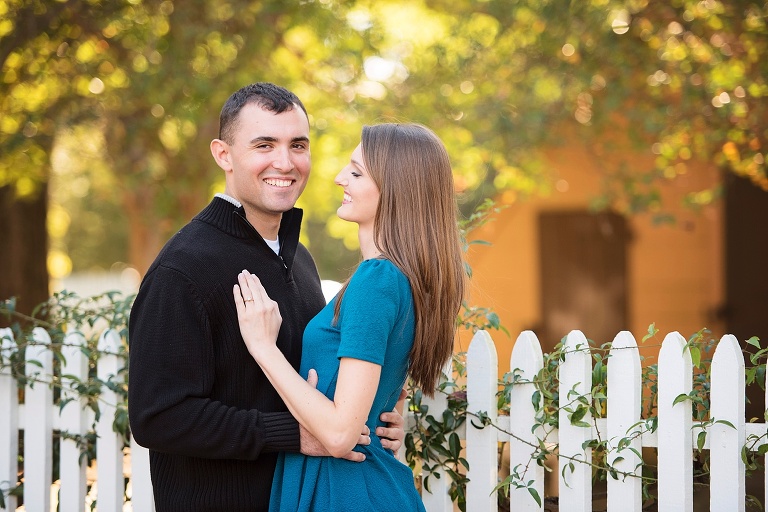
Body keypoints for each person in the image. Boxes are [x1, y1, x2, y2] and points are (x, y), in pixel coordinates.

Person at [128, 83, 405, 511]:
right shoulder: (182, 270)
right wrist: (292, 435)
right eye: (264, 145)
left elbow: (326, 385)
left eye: (297, 145)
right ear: (223, 155)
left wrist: (375, 421)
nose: (285, 162)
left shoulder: (301, 263)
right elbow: (158, 418)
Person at [234, 123, 467, 511]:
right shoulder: (396, 278)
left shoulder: (377, 280)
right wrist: (387, 415)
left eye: (356, 172)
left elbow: (341, 435)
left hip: (347, 490)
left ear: (396, 190)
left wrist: (263, 348)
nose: (340, 178)